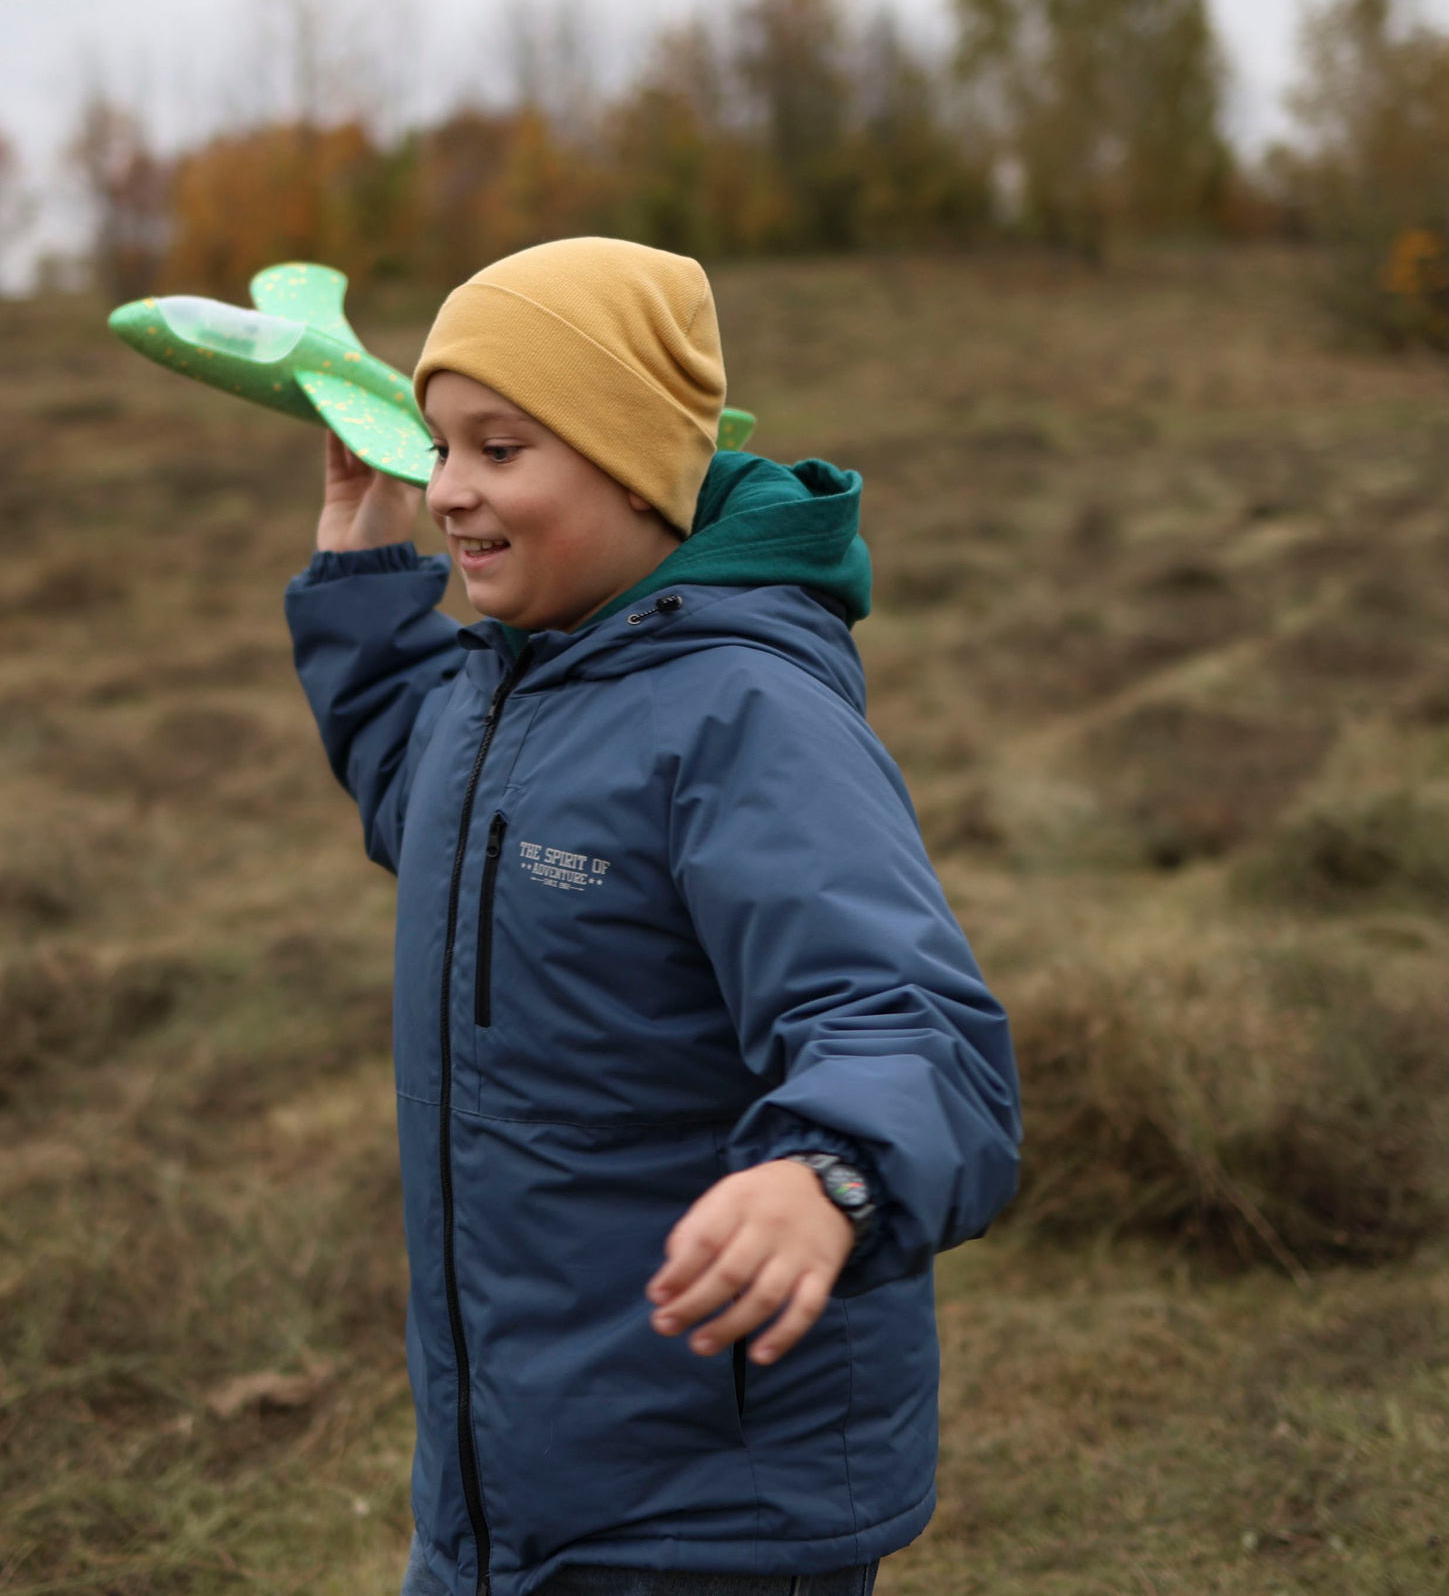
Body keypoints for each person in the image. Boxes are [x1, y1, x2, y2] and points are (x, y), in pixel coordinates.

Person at [283, 237, 1020, 1596]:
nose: (448, 489)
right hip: (506, 1477)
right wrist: (357, 571)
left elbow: (914, 1027)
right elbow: (419, 784)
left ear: (631, 465)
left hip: (707, 1499)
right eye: (439, 446)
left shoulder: (743, 717)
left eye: (500, 451)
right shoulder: (506, 683)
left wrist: (827, 1178)